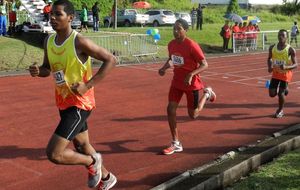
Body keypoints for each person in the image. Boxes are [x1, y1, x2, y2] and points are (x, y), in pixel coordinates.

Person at [28, 0, 117, 189]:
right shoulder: (49, 40)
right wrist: (39, 71)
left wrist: (88, 85)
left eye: (58, 14)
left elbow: (111, 59)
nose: (52, 17)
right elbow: (47, 69)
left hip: (79, 104)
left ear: (70, 18)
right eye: (51, 14)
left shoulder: (79, 41)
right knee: (83, 145)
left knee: (54, 153)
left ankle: (92, 163)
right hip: (63, 102)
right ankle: (107, 178)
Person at [158, 19, 216, 155]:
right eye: (174, 28)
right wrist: (164, 68)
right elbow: (172, 59)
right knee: (170, 109)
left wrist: (191, 74)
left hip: (191, 84)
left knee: (193, 115)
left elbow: (204, 64)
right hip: (177, 82)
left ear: (185, 30)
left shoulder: (191, 45)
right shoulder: (171, 44)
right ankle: (175, 142)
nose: (175, 31)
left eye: (178, 29)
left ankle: (207, 94)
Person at [267, 29, 298, 118]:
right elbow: (269, 58)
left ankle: (280, 110)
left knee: (281, 93)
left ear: (286, 37)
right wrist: (269, 67)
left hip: (286, 74)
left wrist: (286, 67)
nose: (280, 37)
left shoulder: (290, 50)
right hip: (276, 73)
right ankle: (286, 89)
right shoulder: (272, 47)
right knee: (272, 94)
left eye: (283, 35)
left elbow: (296, 64)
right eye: (279, 35)